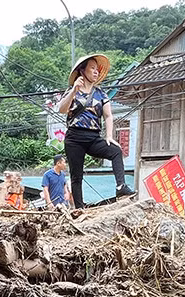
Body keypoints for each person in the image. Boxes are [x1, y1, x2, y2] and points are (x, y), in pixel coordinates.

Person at [57, 54, 135, 208]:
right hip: (74, 137)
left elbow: (108, 115)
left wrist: (110, 136)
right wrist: (74, 90)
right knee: (76, 175)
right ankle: (79, 208)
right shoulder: (72, 91)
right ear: (82, 71)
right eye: (91, 68)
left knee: (115, 151)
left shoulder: (101, 93)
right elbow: (62, 109)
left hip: (93, 137)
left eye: (97, 69)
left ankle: (121, 187)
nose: (95, 72)